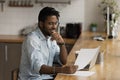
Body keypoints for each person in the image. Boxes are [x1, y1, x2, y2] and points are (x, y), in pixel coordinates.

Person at [18, 7, 78, 80]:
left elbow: (63, 61)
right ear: (41, 24)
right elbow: (39, 68)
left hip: (47, 78)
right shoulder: (32, 39)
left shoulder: (51, 38)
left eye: (56, 23)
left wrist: (62, 44)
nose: (54, 27)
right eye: (50, 24)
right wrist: (62, 70)